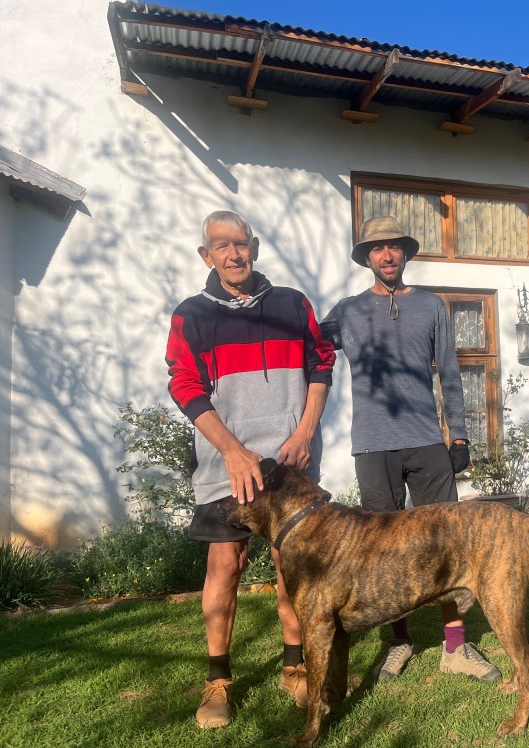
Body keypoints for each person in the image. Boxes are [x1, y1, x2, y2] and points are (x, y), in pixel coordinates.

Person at [166, 211, 336, 729]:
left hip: (291, 461)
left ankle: (293, 665)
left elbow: (321, 361)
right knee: (225, 566)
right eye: (221, 246)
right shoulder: (191, 314)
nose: (233, 254)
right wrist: (235, 452)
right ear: (206, 256)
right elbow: (184, 385)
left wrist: (305, 431)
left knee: (293, 568)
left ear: (255, 247)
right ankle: (219, 680)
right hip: (228, 465)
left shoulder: (292, 303)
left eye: (240, 243)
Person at [319, 215, 500, 685]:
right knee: (381, 551)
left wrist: (459, 436)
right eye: (378, 248)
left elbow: (452, 376)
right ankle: (398, 641)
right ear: (367, 258)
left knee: (447, 545)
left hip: (426, 442)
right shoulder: (347, 312)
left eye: (395, 247)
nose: (387, 255)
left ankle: (456, 646)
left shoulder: (432, 307)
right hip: (372, 446)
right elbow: (305, 348)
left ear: (405, 253)